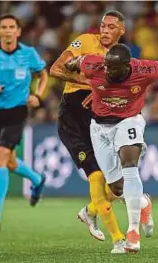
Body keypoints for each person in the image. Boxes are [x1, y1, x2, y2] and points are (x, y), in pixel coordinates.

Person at [65, 43, 158, 252]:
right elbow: (72, 64)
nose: (107, 71)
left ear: (126, 66)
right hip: (99, 127)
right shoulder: (93, 65)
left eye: (112, 68)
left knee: (130, 166)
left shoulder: (143, 69)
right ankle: (143, 204)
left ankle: (133, 233)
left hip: (129, 121)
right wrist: (76, 70)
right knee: (116, 187)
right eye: (106, 66)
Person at [50, 10, 127, 253]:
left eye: (111, 27)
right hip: (72, 114)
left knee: (118, 184)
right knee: (95, 175)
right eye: (103, 26)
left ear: (121, 31)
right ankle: (118, 239)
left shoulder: (120, 57)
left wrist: (100, 92)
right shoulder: (84, 41)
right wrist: (90, 84)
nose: (105, 30)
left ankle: (90, 211)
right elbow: (55, 69)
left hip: (99, 115)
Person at [0, 14, 48, 231]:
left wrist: (38, 96)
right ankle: (37, 179)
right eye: (3, 27)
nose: (7, 30)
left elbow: (43, 75)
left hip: (17, 111)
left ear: (18, 31)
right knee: (9, 162)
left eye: (11, 27)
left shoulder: (29, 54)